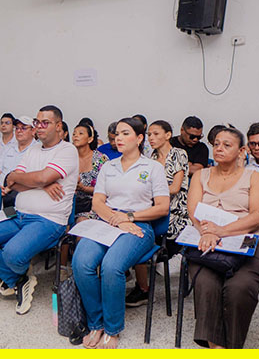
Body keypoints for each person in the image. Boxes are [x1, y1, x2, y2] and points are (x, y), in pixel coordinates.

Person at [0, 105, 78, 315]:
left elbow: (40, 177)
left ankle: (13, 277)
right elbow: (11, 181)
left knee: (12, 253)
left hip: (48, 220)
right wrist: (41, 183)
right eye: (37, 122)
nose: (40, 126)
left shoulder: (67, 150)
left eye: (45, 122)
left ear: (58, 126)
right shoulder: (33, 149)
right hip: (18, 213)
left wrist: (38, 179)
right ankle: (19, 279)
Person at [72, 118, 170, 348]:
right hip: (107, 221)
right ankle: (96, 323)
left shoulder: (153, 167)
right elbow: (97, 202)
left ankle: (112, 328)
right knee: (81, 261)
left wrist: (129, 217)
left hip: (139, 226)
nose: (118, 138)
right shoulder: (109, 166)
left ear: (139, 138)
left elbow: (162, 207)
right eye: (117, 134)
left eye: (125, 133)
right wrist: (116, 219)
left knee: (111, 266)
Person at [187, 127, 259, 348]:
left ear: (241, 151)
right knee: (206, 283)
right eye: (216, 144)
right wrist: (208, 232)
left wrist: (221, 231)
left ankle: (232, 346)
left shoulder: (253, 177)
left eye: (227, 145)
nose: (219, 148)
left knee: (239, 287)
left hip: (254, 239)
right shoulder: (201, 175)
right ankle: (216, 347)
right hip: (207, 239)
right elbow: (193, 211)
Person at [126, 120, 190, 307]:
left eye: (155, 134)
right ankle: (143, 288)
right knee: (134, 230)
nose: (151, 138)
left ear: (168, 135)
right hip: (154, 208)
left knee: (140, 229)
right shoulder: (150, 158)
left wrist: (151, 192)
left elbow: (175, 187)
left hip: (176, 211)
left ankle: (177, 258)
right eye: (149, 135)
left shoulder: (178, 154)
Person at [0, 115, 37, 208]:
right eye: (17, 128)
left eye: (23, 128)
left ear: (33, 131)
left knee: (10, 213)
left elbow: (32, 179)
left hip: (20, 194)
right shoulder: (8, 148)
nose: (19, 131)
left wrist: (8, 188)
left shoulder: (37, 150)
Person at [73, 122, 108, 221]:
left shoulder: (100, 159)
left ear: (90, 139)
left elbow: (108, 189)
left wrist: (84, 188)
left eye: (80, 133)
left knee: (81, 222)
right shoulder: (68, 157)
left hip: (93, 205)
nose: (76, 136)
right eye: (74, 133)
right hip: (70, 203)